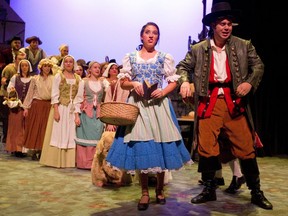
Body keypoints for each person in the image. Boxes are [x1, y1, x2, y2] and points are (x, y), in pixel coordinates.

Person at [176, 0, 272, 210]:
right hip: (209, 102)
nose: (226, 27)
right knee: (207, 149)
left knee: (246, 148)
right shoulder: (198, 49)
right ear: (213, 26)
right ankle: (210, 189)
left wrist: (248, 82)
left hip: (234, 102)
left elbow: (259, 66)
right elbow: (182, 67)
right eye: (222, 23)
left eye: (229, 23)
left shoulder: (243, 45)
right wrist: (184, 82)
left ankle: (256, 192)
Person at [106, 22, 193, 211]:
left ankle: (160, 189)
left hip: (158, 106)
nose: (151, 36)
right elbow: (124, 83)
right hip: (138, 106)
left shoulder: (164, 57)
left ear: (157, 37)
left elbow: (172, 82)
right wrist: (134, 84)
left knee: (161, 145)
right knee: (141, 146)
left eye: (154, 33)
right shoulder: (131, 57)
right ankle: (144, 192)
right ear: (141, 36)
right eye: (147, 32)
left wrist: (163, 92)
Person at [39, 55, 84, 168]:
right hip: (60, 107)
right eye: (66, 62)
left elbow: (79, 98)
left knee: (70, 133)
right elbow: (54, 94)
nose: (68, 64)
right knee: (58, 132)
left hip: (71, 109)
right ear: (63, 63)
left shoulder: (78, 79)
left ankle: (68, 161)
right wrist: (56, 110)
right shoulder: (59, 76)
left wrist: (77, 114)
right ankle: (56, 160)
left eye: (70, 62)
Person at [75, 61, 107, 169]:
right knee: (85, 136)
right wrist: (76, 115)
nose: (97, 69)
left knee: (97, 136)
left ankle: (95, 163)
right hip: (86, 113)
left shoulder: (103, 83)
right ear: (90, 69)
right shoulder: (84, 82)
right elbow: (78, 99)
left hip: (98, 114)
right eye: (95, 67)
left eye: (99, 68)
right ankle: (84, 163)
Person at [22, 58, 55, 160]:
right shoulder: (35, 79)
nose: (47, 68)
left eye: (49, 66)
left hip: (49, 105)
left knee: (46, 128)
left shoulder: (54, 78)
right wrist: (26, 107)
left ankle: (43, 151)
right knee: (36, 127)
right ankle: (35, 149)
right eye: (45, 66)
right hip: (37, 105)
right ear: (41, 67)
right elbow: (30, 93)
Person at [5, 59, 32, 157]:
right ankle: (15, 148)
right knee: (16, 128)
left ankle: (24, 149)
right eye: (23, 66)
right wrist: (12, 91)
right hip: (17, 106)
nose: (24, 67)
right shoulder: (15, 78)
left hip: (27, 107)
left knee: (25, 128)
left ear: (29, 67)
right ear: (20, 67)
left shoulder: (32, 79)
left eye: (26, 66)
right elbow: (10, 89)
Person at [0, 51, 26, 143]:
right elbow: (3, 81)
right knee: (6, 117)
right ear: (15, 59)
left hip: (17, 98)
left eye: (23, 59)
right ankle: (6, 137)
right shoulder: (9, 68)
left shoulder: (24, 70)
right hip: (6, 96)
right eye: (19, 59)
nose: (21, 61)